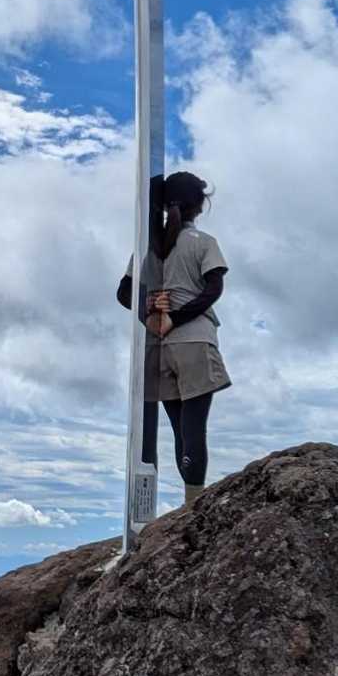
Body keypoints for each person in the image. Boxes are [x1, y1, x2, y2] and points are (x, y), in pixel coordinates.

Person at [117, 171, 231, 506]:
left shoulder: (146, 248)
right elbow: (213, 289)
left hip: (158, 349)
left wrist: (150, 311)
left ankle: (187, 505)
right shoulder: (203, 243)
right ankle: (193, 505)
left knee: (180, 428)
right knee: (195, 428)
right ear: (199, 205)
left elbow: (124, 293)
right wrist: (175, 317)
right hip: (194, 341)